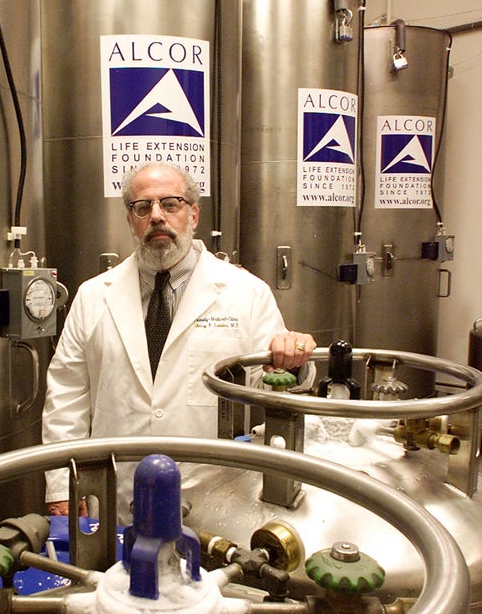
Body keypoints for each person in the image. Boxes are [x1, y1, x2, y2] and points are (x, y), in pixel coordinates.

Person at [42, 163, 316, 519]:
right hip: (116, 496)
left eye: (170, 204)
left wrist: (293, 359)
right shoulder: (93, 295)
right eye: (143, 207)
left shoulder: (246, 293)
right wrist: (62, 487)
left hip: (214, 497)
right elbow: (67, 397)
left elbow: (274, 387)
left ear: (193, 214)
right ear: (130, 220)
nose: (157, 216)